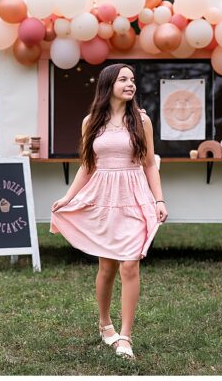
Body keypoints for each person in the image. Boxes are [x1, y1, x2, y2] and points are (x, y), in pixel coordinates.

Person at [51, 64, 167, 360]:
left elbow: (149, 163)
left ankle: (125, 336)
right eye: (124, 80)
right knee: (107, 268)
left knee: (130, 265)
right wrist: (68, 197)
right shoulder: (91, 122)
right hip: (103, 199)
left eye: (133, 80)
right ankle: (105, 324)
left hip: (134, 197)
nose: (131, 85)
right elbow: (87, 165)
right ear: (108, 85)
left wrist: (159, 200)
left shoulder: (142, 121)